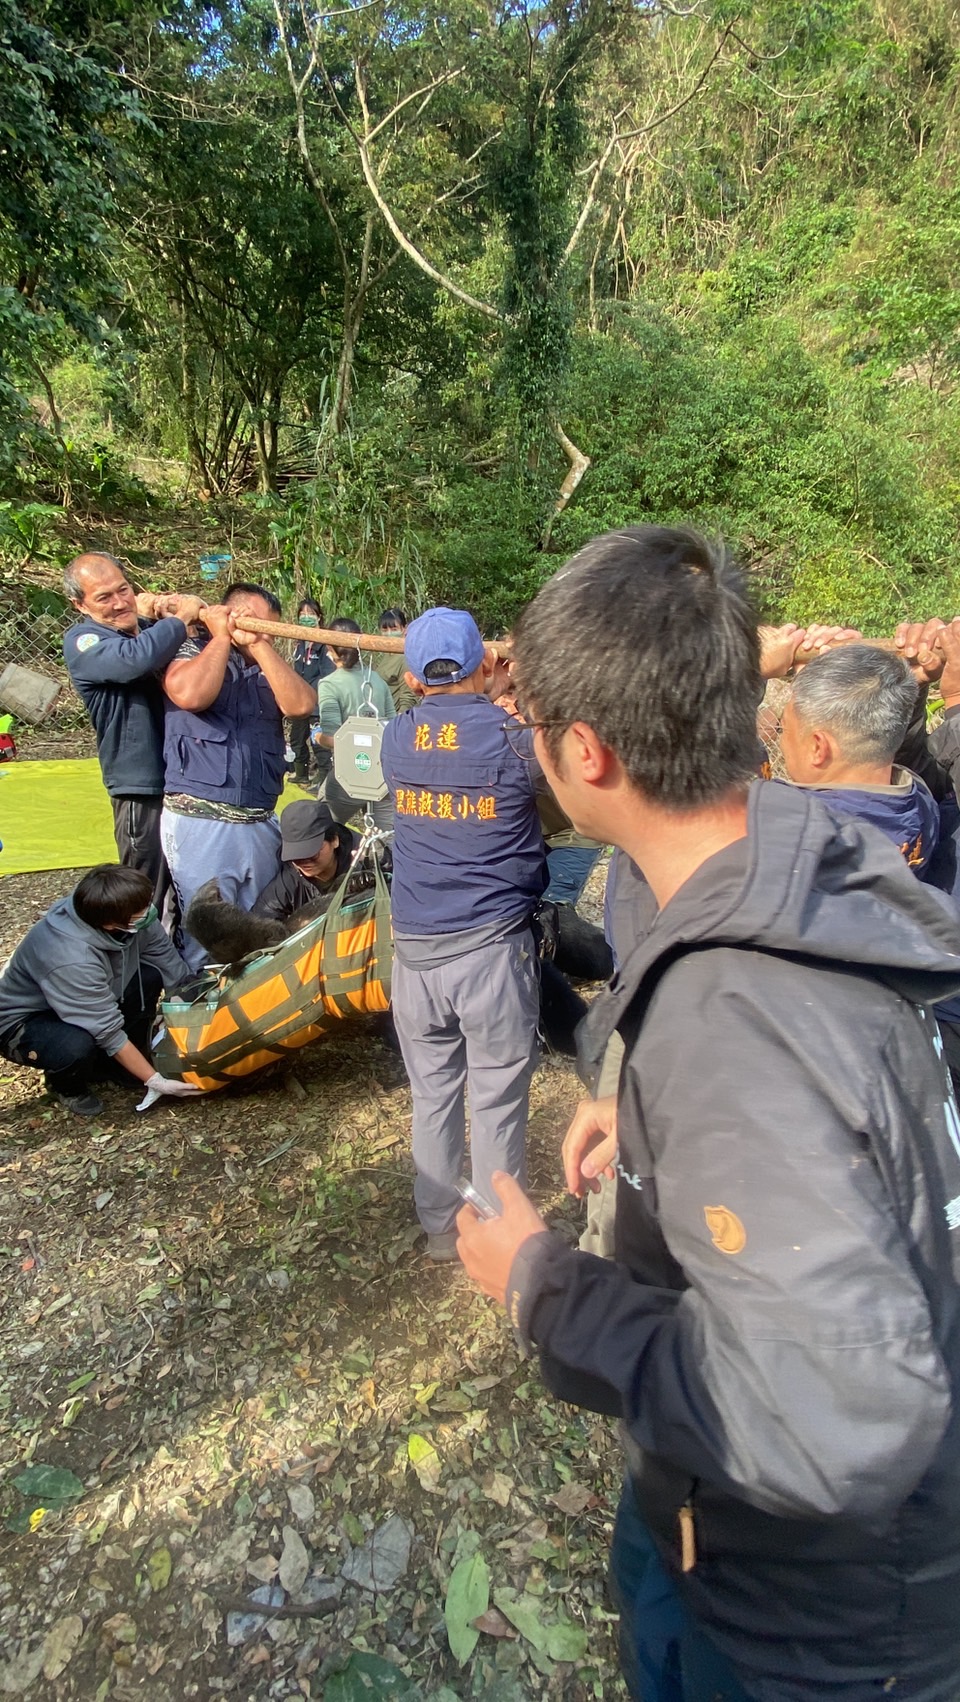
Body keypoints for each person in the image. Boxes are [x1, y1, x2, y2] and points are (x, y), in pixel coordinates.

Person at [456, 526, 960, 1702]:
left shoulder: (742, 1023)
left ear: (585, 750)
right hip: (731, 1527)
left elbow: (828, 1420)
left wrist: (542, 1284)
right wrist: (640, 1100)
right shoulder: (804, 861)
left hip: (807, 1624)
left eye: (532, 722)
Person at [381, 607, 547, 1261]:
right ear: (484, 661)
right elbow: (553, 764)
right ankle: (500, 1237)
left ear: (412, 679)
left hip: (415, 953)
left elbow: (448, 732)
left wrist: (489, 689)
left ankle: (440, 1229)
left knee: (433, 1093)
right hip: (490, 950)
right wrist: (515, 689)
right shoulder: (515, 742)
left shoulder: (396, 738)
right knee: (496, 1096)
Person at [160, 581, 316, 967]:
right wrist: (221, 637)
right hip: (201, 819)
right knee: (207, 929)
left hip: (259, 818)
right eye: (255, 621)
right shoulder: (192, 649)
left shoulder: (267, 662)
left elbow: (301, 705)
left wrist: (260, 645)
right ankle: (202, 999)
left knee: (260, 927)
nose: (265, 632)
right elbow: (189, 694)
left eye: (271, 627)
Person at [63, 552, 206, 905]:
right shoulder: (85, 641)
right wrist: (179, 619)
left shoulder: (146, 629)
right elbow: (135, 660)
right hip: (139, 785)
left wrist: (173, 613)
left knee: (190, 877)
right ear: (80, 604)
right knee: (145, 890)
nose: (118, 603)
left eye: (123, 590)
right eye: (104, 597)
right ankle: (141, 943)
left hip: (186, 777)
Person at [0, 865, 200, 1117]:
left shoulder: (127, 910)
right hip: (26, 1019)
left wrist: (191, 1004)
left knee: (149, 975)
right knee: (74, 1046)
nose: (149, 911)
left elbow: (166, 961)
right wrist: (155, 1081)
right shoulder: (70, 958)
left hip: (87, 996)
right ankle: (66, 1086)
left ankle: (114, 1066)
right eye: (141, 910)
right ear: (109, 924)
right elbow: (106, 1030)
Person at [314, 617, 395, 832]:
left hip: (348, 776)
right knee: (386, 840)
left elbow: (333, 739)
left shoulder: (329, 684)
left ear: (330, 649)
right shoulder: (377, 680)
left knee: (321, 828)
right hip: (382, 777)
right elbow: (391, 728)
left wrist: (316, 736)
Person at [252, 799, 357, 921]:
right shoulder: (287, 883)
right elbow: (259, 921)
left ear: (334, 840)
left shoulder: (364, 861)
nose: (304, 862)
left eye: (312, 853)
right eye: (296, 856)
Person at [288, 597, 334, 789]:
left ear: (319, 617)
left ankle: (324, 778)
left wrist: (310, 692)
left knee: (318, 742)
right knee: (296, 738)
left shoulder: (325, 643)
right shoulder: (300, 643)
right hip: (300, 701)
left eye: (311, 614)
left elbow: (327, 675)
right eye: (302, 614)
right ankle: (302, 773)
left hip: (317, 701)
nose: (306, 617)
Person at [374, 608, 418, 713]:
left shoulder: (405, 658)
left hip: (393, 716)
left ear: (404, 629)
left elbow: (408, 697)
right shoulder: (386, 653)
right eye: (385, 630)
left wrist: (400, 719)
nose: (389, 634)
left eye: (394, 629)